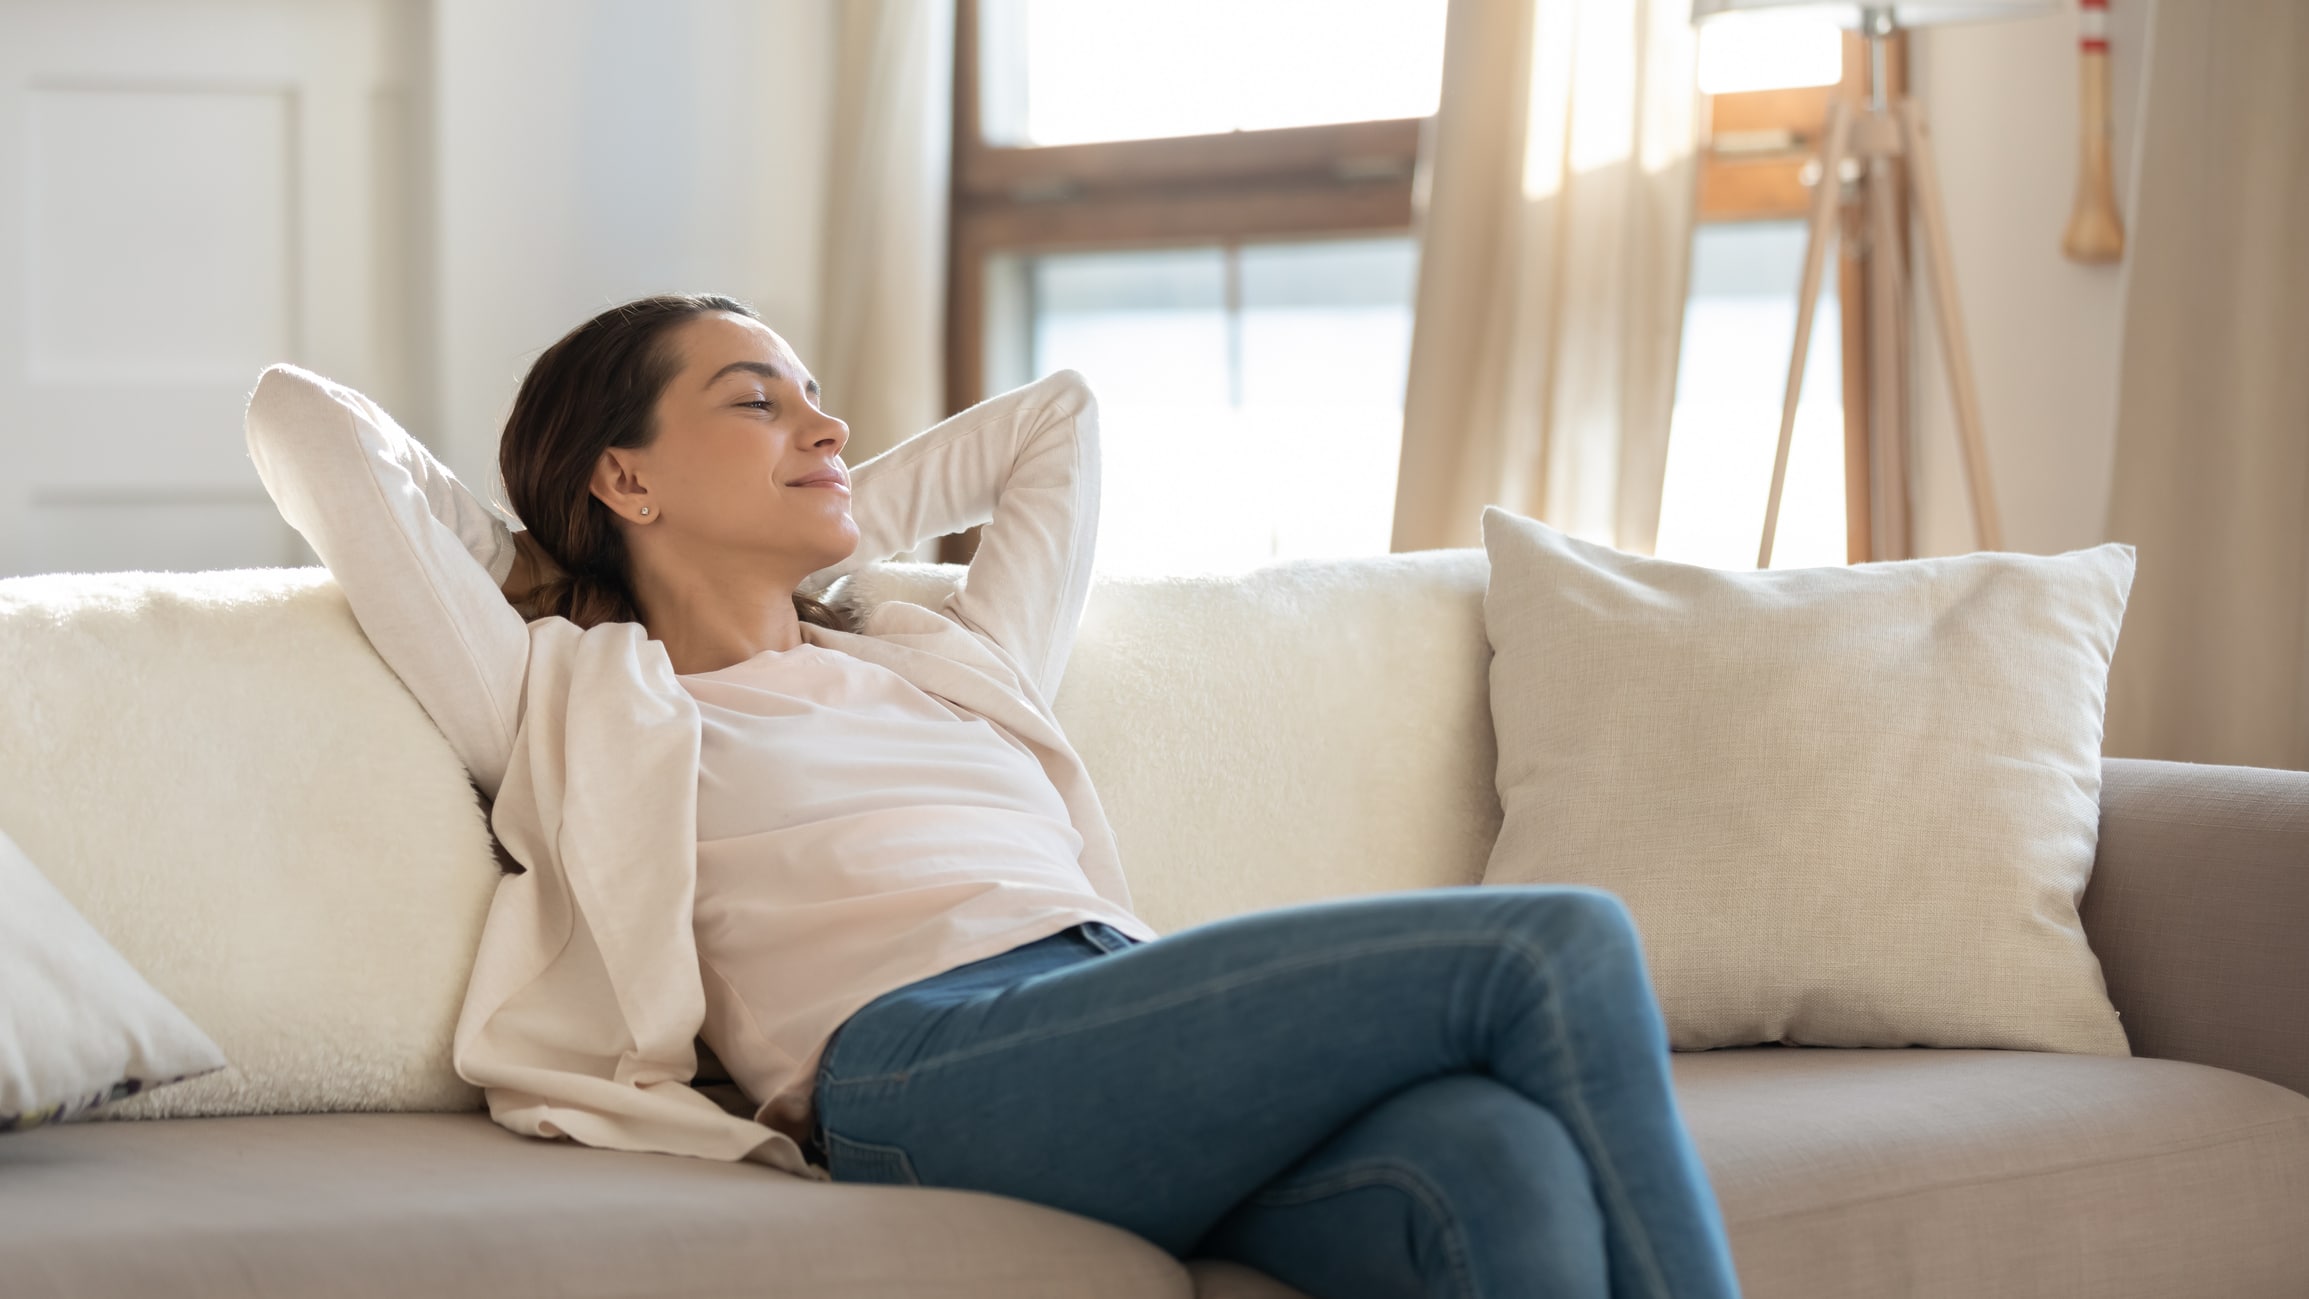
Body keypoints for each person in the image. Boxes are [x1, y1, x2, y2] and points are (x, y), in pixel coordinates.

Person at [245, 292, 1742, 1299]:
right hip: (919, 1065)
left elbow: (1058, 420)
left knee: (1498, 1165)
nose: (826, 430)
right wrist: (563, 557)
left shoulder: (944, 654)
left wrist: (812, 513)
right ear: (625, 479)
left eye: (822, 406)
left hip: (1111, 1008)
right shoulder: (572, 693)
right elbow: (303, 421)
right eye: (758, 404)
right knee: (1550, 945)